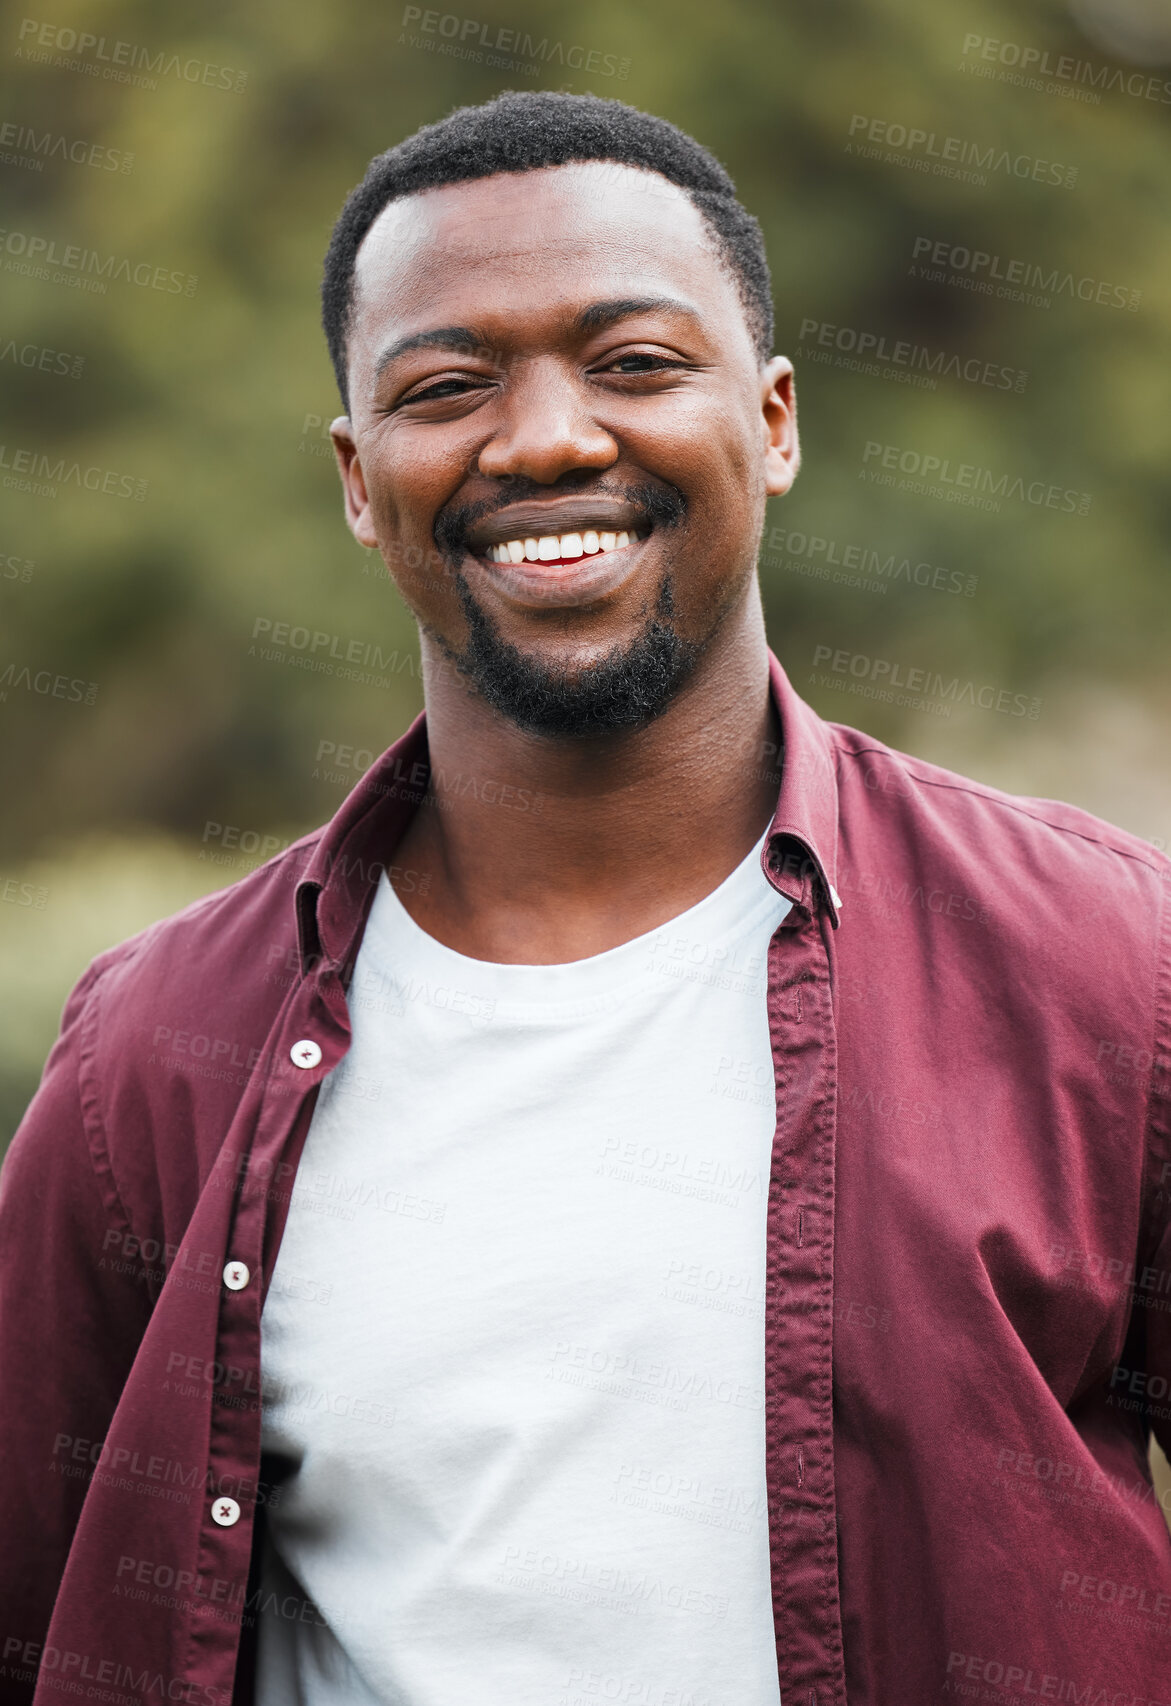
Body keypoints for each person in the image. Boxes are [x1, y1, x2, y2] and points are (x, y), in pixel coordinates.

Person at [2, 89, 1169, 1706]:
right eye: (446, 385)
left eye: (632, 363)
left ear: (771, 421)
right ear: (358, 475)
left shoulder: (1104, 967)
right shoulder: (154, 1051)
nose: (547, 438)